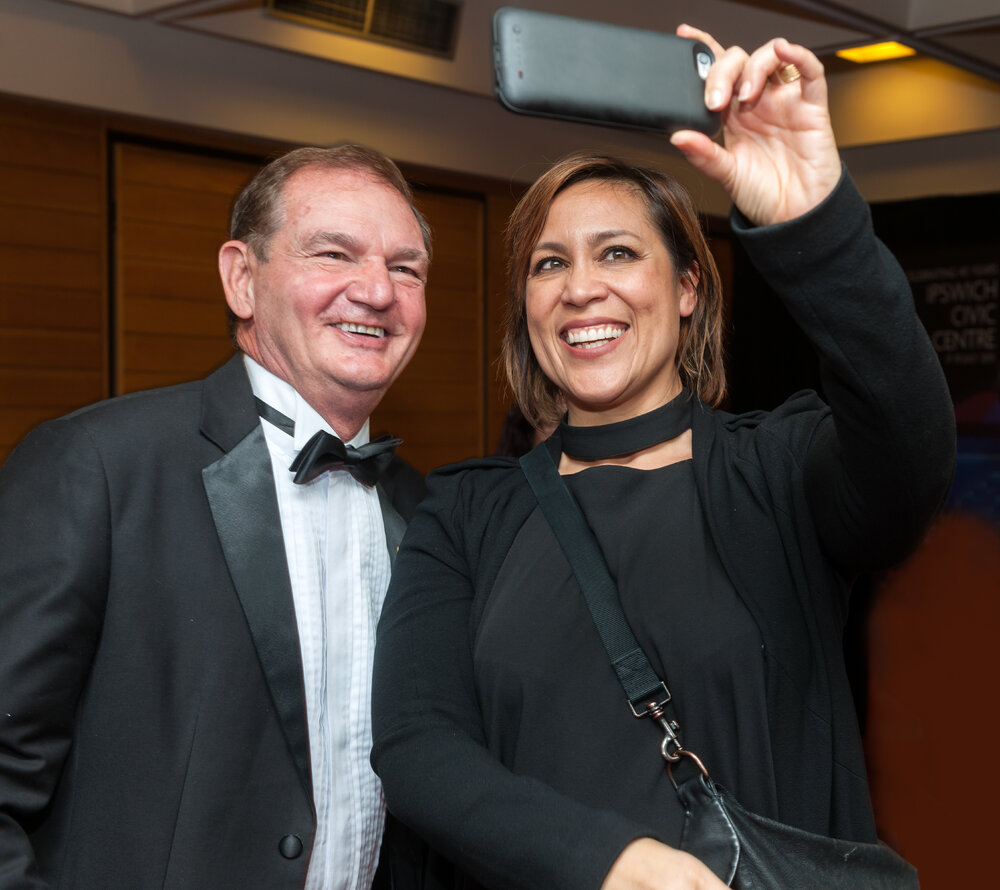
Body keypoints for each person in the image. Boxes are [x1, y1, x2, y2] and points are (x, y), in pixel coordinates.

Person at [371, 25, 955, 890]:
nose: (580, 289)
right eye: (548, 264)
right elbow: (420, 747)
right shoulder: (463, 516)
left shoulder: (781, 473)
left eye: (618, 253)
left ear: (687, 289)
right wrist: (604, 861)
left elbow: (910, 446)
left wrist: (814, 221)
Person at [0, 144, 430, 889]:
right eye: (334, 253)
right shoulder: (97, 467)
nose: (376, 290)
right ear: (242, 278)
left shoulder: (426, 512)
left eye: (406, 268)